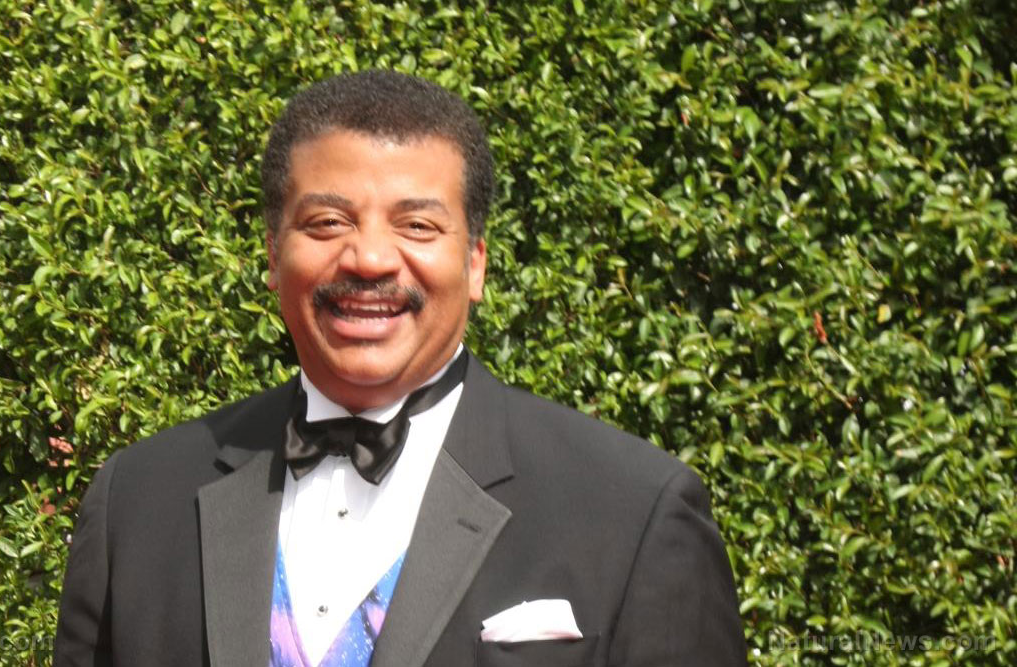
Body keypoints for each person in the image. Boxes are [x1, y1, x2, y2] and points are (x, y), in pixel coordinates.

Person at [53, 70, 747, 666]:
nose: (370, 259)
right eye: (327, 223)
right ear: (272, 256)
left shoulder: (632, 510)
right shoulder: (138, 501)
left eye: (417, 225)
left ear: (475, 263)